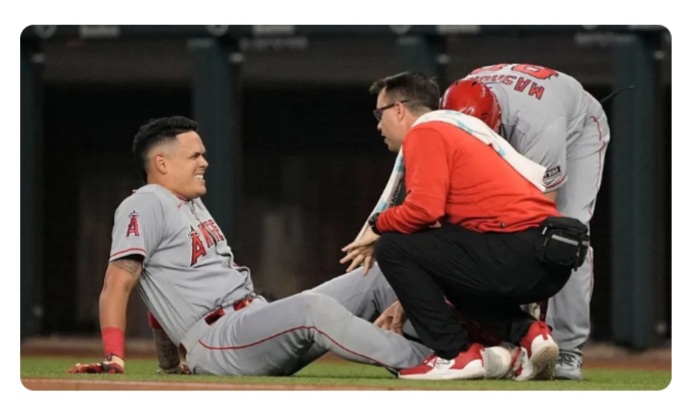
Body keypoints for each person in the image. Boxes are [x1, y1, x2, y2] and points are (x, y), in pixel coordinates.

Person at [66, 115, 512, 378]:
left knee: (375, 274)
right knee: (311, 310)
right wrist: (114, 355)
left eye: (203, 153)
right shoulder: (145, 202)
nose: (205, 161)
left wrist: (168, 364)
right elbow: (119, 283)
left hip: (252, 322)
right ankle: (436, 362)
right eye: (194, 155)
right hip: (222, 339)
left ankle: (481, 341)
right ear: (161, 162)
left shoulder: (189, 205)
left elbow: (159, 293)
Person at [341, 71, 589, 381]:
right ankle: (531, 334)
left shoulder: (426, 131)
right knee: (443, 266)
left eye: (380, 114)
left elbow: (422, 210)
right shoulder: (464, 130)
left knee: (393, 246)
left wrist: (379, 225)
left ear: (399, 110)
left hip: (516, 248)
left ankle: (455, 354)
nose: (379, 125)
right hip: (546, 259)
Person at [440, 63, 611, 380]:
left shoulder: (539, 124)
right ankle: (505, 335)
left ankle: (568, 351)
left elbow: (539, 213)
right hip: (528, 115)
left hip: (576, 128)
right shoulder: (449, 113)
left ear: (494, 120)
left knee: (565, 238)